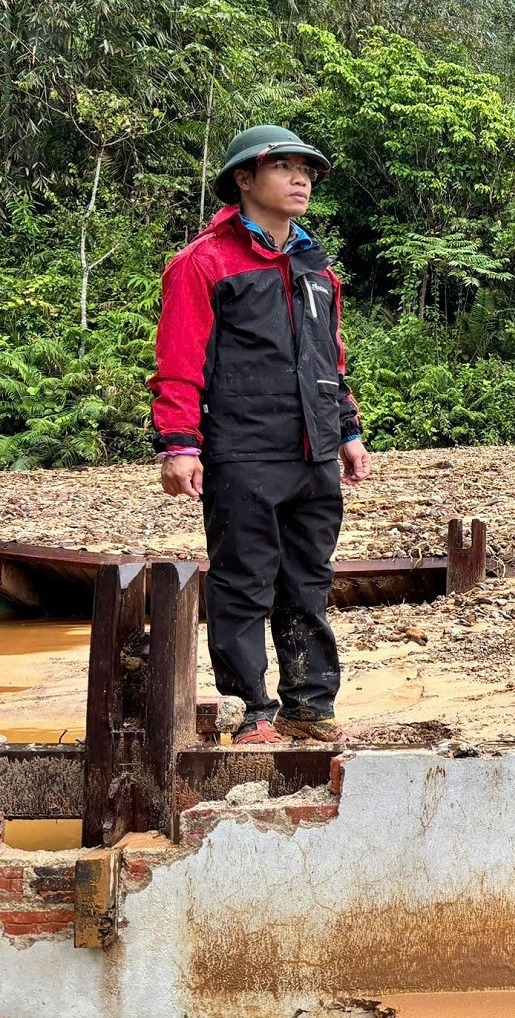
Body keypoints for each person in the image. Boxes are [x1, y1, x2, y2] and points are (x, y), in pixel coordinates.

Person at [149, 125, 372, 745]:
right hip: (242, 450)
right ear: (244, 180)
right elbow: (180, 359)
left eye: (306, 170)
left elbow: (332, 358)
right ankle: (249, 712)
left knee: (308, 579)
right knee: (243, 580)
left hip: (313, 451)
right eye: (283, 168)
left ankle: (309, 706)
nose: (300, 179)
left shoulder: (316, 268)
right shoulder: (205, 263)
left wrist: (347, 432)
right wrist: (179, 444)